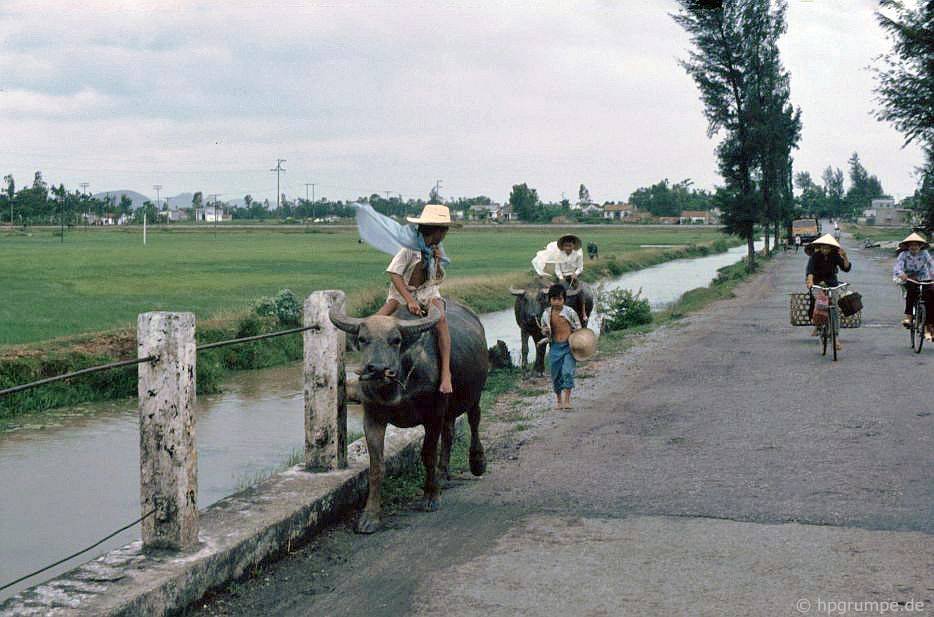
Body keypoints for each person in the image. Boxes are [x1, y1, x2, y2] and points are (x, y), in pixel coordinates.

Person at [356, 202, 456, 394]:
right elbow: (394, 274)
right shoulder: (409, 248)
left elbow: (436, 278)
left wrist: (436, 260)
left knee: (441, 320)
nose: (445, 234)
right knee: (373, 324)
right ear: (436, 230)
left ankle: (445, 374)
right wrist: (409, 300)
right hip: (403, 292)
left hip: (428, 292)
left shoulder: (436, 248)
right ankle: (366, 364)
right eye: (444, 230)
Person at [805, 233, 851, 349]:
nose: (825, 250)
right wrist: (810, 281)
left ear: (831, 248)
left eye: (827, 248)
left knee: (834, 307)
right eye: (823, 247)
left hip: (832, 284)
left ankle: (835, 338)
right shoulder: (815, 256)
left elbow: (846, 268)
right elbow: (809, 270)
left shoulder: (835, 256)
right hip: (817, 283)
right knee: (816, 302)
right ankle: (817, 324)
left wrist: (845, 257)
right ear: (820, 247)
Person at [539, 284, 582, 410]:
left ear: (564, 299)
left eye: (559, 299)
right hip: (555, 347)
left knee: (567, 372)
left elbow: (578, 327)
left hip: (569, 346)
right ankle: (559, 401)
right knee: (556, 375)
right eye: (554, 299)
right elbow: (543, 329)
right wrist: (545, 331)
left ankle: (567, 400)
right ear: (549, 300)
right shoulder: (546, 314)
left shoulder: (570, 312)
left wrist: (577, 339)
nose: (557, 302)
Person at [893, 232, 934, 341]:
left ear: (920, 246)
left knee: (931, 295)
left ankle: (929, 324)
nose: (914, 247)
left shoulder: (925, 253)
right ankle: (909, 318)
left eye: (916, 245)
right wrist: (901, 274)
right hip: (909, 278)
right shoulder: (904, 254)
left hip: (924, 277)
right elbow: (898, 266)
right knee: (911, 293)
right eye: (911, 245)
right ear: (908, 246)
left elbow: (931, 265)